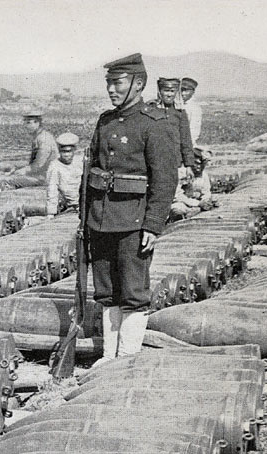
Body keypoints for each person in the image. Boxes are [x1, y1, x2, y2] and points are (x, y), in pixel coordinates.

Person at [87, 53, 178, 362]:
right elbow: (93, 170)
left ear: (138, 84)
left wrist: (153, 224)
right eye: (109, 83)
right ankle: (108, 356)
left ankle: (126, 359)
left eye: (118, 83)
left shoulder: (155, 124)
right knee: (106, 289)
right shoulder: (105, 120)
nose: (111, 89)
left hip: (133, 221)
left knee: (133, 292)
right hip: (100, 219)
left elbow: (165, 180)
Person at [149, 78, 194, 172]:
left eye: (172, 91)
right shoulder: (150, 109)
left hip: (174, 163)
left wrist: (188, 165)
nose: (169, 94)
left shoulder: (180, 112)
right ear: (160, 91)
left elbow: (186, 140)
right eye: (166, 91)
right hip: (153, 162)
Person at [170, 146, 215, 220]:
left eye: (202, 164)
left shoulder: (204, 175)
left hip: (197, 204)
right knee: (177, 210)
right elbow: (177, 195)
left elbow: (206, 192)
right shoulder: (181, 173)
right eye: (196, 163)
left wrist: (205, 200)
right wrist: (197, 203)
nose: (199, 166)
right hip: (182, 203)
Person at [12, 109, 58, 181]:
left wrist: (24, 170)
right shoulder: (39, 136)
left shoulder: (44, 138)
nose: (26, 126)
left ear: (37, 123)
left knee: (10, 181)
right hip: (41, 173)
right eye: (26, 123)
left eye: (28, 123)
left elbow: (40, 163)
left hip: (45, 176)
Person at [45, 132, 83, 217]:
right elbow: (52, 189)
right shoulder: (55, 166)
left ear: (74, 150)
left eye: (69, 151)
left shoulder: (81, 162)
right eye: (63, 152)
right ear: (59, 151)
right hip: (71, 206)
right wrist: (51, 212)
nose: (66, 155)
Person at [180, 77, 202, 144]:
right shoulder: (176, 104)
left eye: (186, 91)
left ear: (193, 92)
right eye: (181, 90)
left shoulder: (195, 108)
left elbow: (193, 132)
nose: (183, 93)